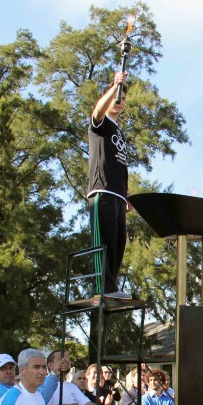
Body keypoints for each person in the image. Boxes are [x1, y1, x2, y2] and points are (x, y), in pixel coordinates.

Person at [88, 70, 131, 298]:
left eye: (123, 99)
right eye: (117, 97)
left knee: (118, 243)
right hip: (101, 191)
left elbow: (120, 163)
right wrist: (116, 86)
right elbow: (97, 111)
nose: (120, 102)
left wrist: (126, 193)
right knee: (103, 241)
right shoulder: (101, 123)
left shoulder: (119, 131)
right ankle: (102, 287)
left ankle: (112, 287)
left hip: (118, 195)